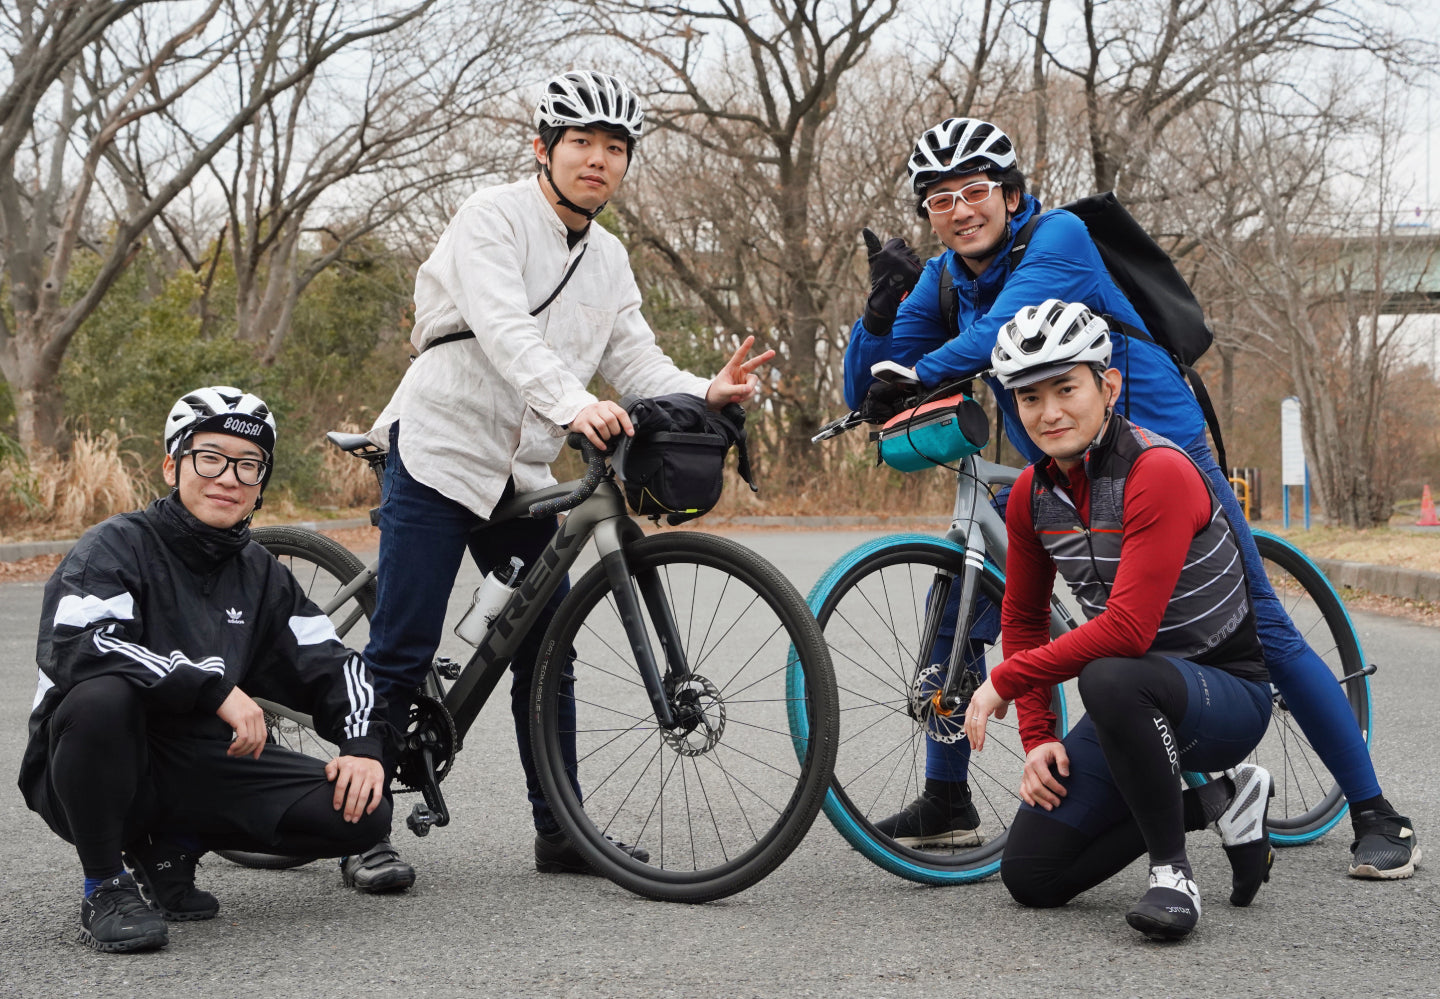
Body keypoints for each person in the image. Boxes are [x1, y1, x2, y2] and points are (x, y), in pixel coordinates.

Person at [846, 117, 1419, 880]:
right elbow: (867, 387)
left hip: (1158, 445)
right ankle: (950, 796)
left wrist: (916, 372)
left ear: (1011, 195)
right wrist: (878, 318)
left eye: (976, 190)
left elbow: (1000, 336)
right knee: (963, 595)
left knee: (1263, 625)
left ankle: (1379, 815)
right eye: (940, 198)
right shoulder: (944, 276)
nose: (959, 209)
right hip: (1058, 449)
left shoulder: (1059, 240)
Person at [348, 69, 773, 891]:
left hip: (522, 472)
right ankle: (360, 829)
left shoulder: (609, 258)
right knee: (402, 646)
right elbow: (506, 331)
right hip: (441, 450)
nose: (598, 160)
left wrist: (701, 390)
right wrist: (578, 403)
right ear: (542, 149)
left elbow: (636, 359)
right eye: (581, 142)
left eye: (615, 148)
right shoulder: (491, 217)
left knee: (550, 651)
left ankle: (562, 830)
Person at [19, 386, 391, 953]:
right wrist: (212, 687)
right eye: (210, 457)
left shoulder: (262, 573)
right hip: (99, 760)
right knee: (102, 699)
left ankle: (170, 847)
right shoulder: (113, 546)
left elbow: (331, 662)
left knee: (363, 813)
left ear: (262, 483)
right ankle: (105, 886)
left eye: (249, 465)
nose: (229, 477)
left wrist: (363, 746)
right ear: (173, 464)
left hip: (202, 760)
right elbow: (82, 645)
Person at [962, 301, 1275, 941]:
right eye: (1027, 398)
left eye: (1066, 388)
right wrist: (1038, 735)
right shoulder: (1030, 495)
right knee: (1033, 876)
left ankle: (1172, 876)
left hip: (1223, 693)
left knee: (1110, 674)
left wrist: (1006, 681)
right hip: (1130, 702)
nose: (1048, 412)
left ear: (1108, 386)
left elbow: (1129, 631)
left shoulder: (1157, 472)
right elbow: (1021, 618)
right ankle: (1223, 799)